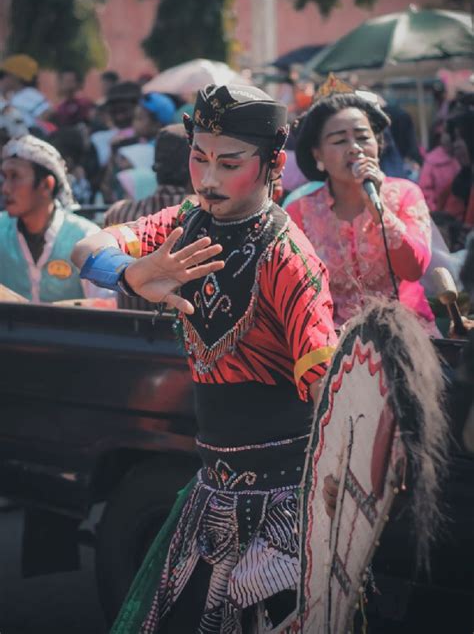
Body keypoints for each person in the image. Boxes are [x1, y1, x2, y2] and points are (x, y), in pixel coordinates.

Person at [73, 83, 337, 632]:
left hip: (284, 505)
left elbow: (324, 382)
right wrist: (126, 274)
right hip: (211, 488)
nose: (209, 178)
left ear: (273, 164)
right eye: (199, 158)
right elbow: (86, 247)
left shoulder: (289, 259)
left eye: (229, 162)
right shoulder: (185, 223)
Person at [286, 75, 436, 333]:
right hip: (333, 343)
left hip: (409, 334)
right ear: (317, 154)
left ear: (378, 144)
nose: (355, 148)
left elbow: (414, 268)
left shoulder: (406, 194)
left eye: (363, 137)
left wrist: (380, 213)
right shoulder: (299, 212)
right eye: (339, 140)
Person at [0, 134, 103, 302]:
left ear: (46, 185)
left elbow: (106, 304)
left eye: (15, 176)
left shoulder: (85, 237)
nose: (5, 188)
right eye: (4, 178)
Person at [104, 123, 192, 310]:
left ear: (154, 167)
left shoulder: (118, 212)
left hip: (126, 331)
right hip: (182, 332)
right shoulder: (202, 214)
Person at [0, 54, 51, 130]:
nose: (3, 79)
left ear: (15, 77)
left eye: (5, 75)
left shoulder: (30, 94)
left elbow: (48, 114)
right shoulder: (11, 96)